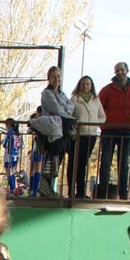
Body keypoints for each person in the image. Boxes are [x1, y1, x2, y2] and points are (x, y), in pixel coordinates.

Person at [97, 62, 130, 200]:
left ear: (127, 71)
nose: (119, 73)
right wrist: (103, 125)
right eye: (117, 70)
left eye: (122, 70)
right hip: (109, 131)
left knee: (124, 164)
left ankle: (123, 194)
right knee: (105, 162)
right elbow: (98, 108)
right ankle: (103, 192)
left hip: (127, 131)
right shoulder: (106, 90)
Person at [40, 66, 75, 197]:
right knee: (51, 160)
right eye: (54, 77)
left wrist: (64, 110)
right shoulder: (47, 93)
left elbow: (70, 106)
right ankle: (44, 189)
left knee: (56, 161)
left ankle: (49, 189)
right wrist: (64, 110)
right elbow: (56, 108)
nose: (56, 79)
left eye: (58, 76)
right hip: (52, 131)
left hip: (61, 131)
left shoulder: (61, 93)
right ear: (49, 78)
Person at [70, 76, 105, 198]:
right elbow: (69, 116)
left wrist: (95, 124)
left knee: (83, 163)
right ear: (79, 85)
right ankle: (71, 191)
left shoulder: (96, 100)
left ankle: (80, 191)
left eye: (88, 84)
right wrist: (75, 128)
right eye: (83, 84)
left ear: (91, 86)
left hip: (91, 135)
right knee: (75, 163)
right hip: (78, 135)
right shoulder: (74, 99)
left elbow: (102, 116)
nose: (85, 86)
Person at [0, 118, 21, 195]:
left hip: (9, 154)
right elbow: (21, 145)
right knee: (11, 172)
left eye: (6, 125)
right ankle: (14, 189)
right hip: (16, 154)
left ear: (8, 124)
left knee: (8, 172)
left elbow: (4, 144)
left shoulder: (9, 133)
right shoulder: (17, 133)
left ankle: (13, 189)